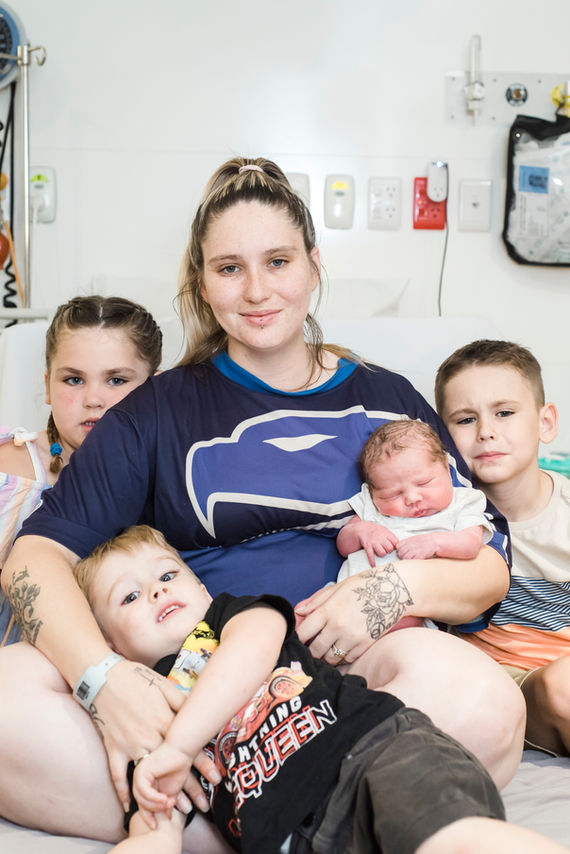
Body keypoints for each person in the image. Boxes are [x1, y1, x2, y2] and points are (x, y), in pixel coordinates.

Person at [0, 157, 525, 845]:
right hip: (192, 687)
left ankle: (212, 820)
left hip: (347, 683)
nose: (256, 291)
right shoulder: (158, 412)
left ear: (312, 263)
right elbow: (33, 558)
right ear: (200, 282)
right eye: (229, 268)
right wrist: (105, 683)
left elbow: (489, 562)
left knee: (485, 702)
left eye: (277, 261)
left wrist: (395, 590)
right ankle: (294, 817)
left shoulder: (386, 397)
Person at [71, 524, 561, 854]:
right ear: (110, 645)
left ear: (200, 587)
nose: (156, 590)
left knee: (449, 837)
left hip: (372, 752)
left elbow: (255, 649)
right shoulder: (141, 714)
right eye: (130, 595)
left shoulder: (230, 617)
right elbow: (156, 821)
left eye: (167, 574)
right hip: (297, 835)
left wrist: (180, 744)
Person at [0, 295, 163, 646]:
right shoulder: (10, 471)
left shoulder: (173, 474)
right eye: (74, 380)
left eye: (116, 380)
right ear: (47, 386)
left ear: (155, 390)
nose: (94, 399)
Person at [435, 338, 570, 757]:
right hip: (512, 689)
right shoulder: (438, 523)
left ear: (545, 423)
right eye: (464, 419)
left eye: (505, 413)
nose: (487, 431)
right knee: (562, 684)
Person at [336, 419, 493, 631]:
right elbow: (344, 544)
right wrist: (363, 531)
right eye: (393, 494)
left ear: (446, 468)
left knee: (407, 624)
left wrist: (436, 542)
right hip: (344, 597)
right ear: (373, 491)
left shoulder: (462, 502)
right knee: (305, 611)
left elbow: (471, 544)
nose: (411, 498)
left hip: (408, 609)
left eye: (424, 483)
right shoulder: (371, 505)